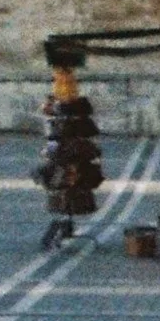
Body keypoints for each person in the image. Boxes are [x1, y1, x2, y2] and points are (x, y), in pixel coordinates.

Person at [38, 65, 103, 249]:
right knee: (62, 181)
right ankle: (65, 223)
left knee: (66, 181)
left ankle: (65, 223)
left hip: (70, 154)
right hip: (66, 153)